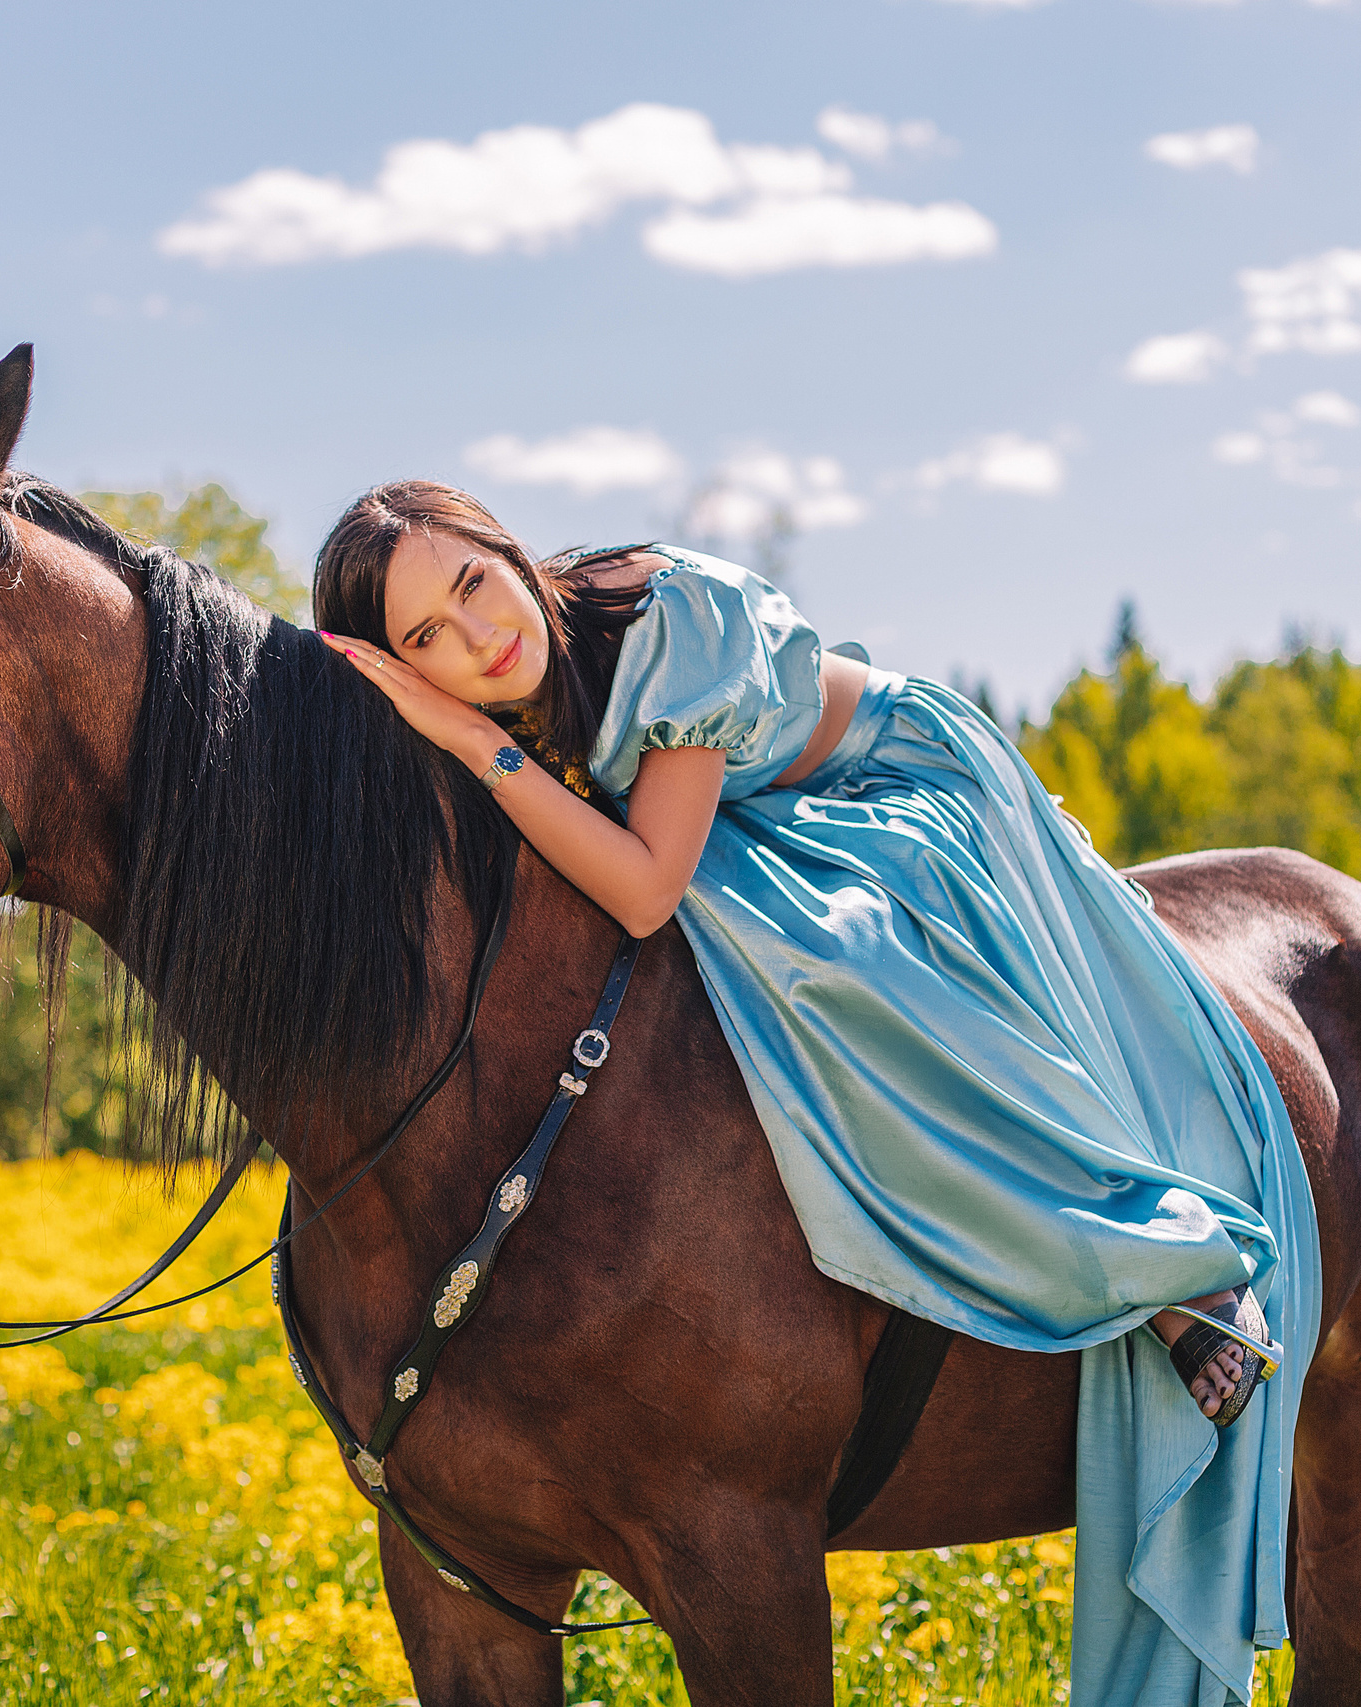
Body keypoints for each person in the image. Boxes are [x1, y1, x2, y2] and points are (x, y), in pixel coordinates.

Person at [313, 482, 1292, 1425]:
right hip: (746, 826)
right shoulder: (500, 701)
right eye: (425, 637)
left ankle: (1172, 1273)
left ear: (502, 549)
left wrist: (468, 740)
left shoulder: (661, 622)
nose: (478, 638)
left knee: (841, 960)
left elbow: (648, 890)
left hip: (885, 778)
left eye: (471, 584)